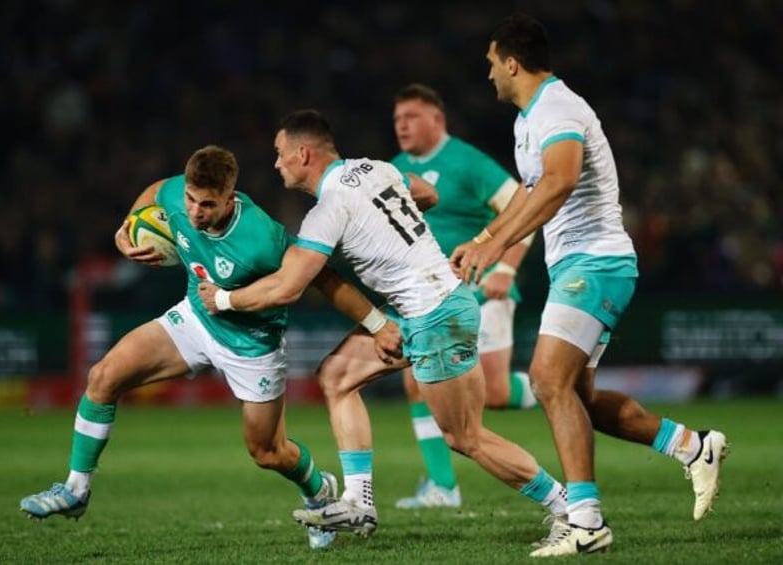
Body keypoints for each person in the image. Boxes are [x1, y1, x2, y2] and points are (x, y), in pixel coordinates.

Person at [196, 110, 569, 545]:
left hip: (436, 316)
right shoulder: (380, 168)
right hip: (422, 307)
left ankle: (568, 507)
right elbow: (425, 192)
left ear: (303, 154)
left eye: (280, 155)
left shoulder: (328, 209)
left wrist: (223, 300)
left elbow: (287, 288)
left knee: (465, 437)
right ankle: (359, 502)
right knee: (337, 376)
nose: (276, 164)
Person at [19, 145, 402, 551]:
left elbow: (326, 280)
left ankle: (318, 490)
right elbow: (155, 191)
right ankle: (76, 490)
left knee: (268, 452)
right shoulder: (176, 197)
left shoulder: (262, 238)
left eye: (207, 204)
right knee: (103, 377)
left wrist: (378, 326)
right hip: (196, 321)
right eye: (190, 200)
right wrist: (125, 226)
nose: (195, 212)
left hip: (253, 347)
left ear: (230, 197)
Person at [450, 14, 728, 556]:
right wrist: (487, 237)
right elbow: (533, 195)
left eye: (490, 64)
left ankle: (585, 519)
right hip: (576, 265)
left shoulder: (557, 107)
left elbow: (560, 180)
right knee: (580, 399)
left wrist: (495, 247)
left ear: (511, 62)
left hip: (596, 263)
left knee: (546, 380)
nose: (488, 76)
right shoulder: (527, 120)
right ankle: (694, 448)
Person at [390, 83, 538, 510]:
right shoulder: (395, 170)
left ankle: (554, 386)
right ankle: (443, 487)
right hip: (427, 300)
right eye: (398, 119)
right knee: (417, 384)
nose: (402, 125)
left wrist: (506, 268)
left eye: (411, 117)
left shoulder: (467, 162)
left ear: (437, 119)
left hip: (482, 287)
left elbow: (524, 207)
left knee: (492, 393)